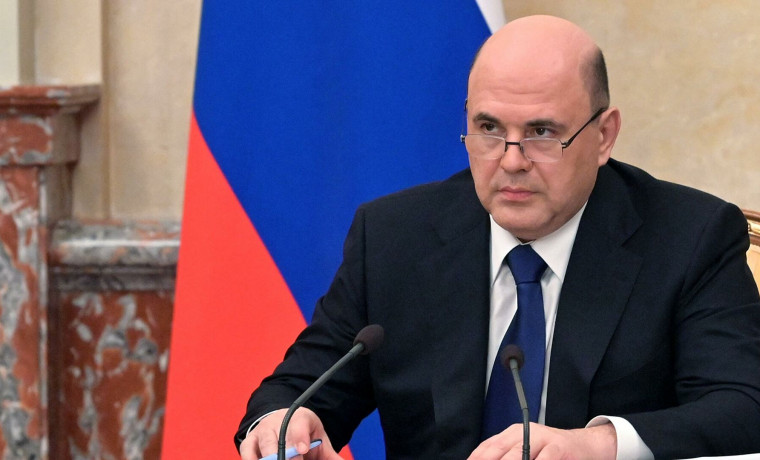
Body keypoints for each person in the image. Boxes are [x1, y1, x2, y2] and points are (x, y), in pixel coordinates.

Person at [236, 15, 760, 460]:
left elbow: (744, 407)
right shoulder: (395, 236)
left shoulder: (690, 237)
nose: (511, 161)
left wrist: (597, 444)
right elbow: (297, 388)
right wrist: (283, 424)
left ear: (603, 136)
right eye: (489, 128)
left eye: (541, 133)